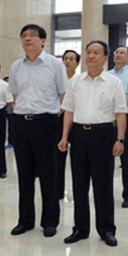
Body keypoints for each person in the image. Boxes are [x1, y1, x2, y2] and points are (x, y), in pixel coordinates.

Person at [58, 40, 127, 247]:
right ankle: (80, 229)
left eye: (96, 53)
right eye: (88, 52)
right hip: (79, 134)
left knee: (103, 185)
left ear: (105, 59)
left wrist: (120, 139)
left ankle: (106, 229)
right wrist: (64, 136)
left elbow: (120, 113)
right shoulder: (76, 81)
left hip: (103, 134)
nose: (91, 56)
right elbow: (69, 111)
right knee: (79, 184)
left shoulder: (113, 83)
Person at [8, 24, 67, 238]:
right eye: (24, 36)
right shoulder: (16, 66)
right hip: (21, 123)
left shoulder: (55, 65)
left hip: (46, 123)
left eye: (33, 35)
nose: (28, 39)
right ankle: (25, 220)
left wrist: (50, 118)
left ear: (43, 41)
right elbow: (15, 95)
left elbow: (64, 96)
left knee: (48, 174)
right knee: (24, 174)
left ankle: (50, 221)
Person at [108, 46, 128, 208]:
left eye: (122, 53)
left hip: (126, 117)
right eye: (116, 52)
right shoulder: (107, 74)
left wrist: (118, 112)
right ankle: (106, 193)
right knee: (106, 158)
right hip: (108, 118)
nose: (118, 55)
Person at [54, 49, 80, 200]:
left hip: (76, 119)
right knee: (58, 156)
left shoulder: (81, 80)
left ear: (77, 63)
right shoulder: (56, 78)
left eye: (71, 59)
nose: (68, 61)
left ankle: (78, 192)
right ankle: (58, 191)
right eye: (65, 59)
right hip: (58, 118)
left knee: (78, 158)